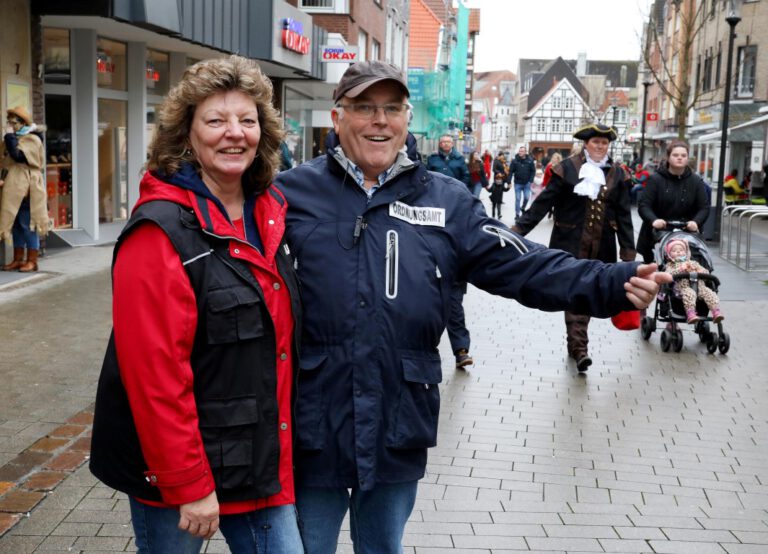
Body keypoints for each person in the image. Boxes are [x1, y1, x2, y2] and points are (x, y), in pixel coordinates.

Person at [274, 61, 669, 553]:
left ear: (406, 117)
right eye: (364, 108)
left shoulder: (446, 200)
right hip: (315, 414)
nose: (380, 120)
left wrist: (613, 280)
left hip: (400, 413)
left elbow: (526, 266)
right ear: (337, 118)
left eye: (392, 108)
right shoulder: (289, 195)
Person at [88, 56, 303, 553]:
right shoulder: (159, 231)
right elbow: (153, 375)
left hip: (255, 459)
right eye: (216, 120)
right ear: (187, 134)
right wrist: (188, 483)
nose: (235, 133)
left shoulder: (266, 215)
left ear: (263, 132)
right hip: (177, 476)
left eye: (247, 120)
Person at [511, 123, 636, 372]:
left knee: (590, 291)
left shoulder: (618, 174)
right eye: (596, 142)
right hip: (570, 241)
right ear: (586, 144)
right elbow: (543, 203)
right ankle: (580, 348)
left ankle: (576, 343)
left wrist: (628, 252)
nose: (600, 146)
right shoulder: (567, 168)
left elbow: (623, 214)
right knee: (575, 290)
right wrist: (517, 231)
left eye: (604, 143)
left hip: (602, 243)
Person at [637, 140, 709, 263]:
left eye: (683, 155)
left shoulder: (696, 181)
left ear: (687, 158)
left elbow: (704, 207)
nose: (679, 158)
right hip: (657, 235)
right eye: (675, 155)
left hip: (687, 236)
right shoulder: (656, 179)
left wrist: (696, 222)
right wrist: (654, 220)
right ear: (668, 158)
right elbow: (644, 205)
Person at [0, 106, 48, 272]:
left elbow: (18, 155)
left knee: (27, 224)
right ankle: (18, 259)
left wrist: (8, 137)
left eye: (13, 122)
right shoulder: (15, 137)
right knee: (17, 225)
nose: (11, 125)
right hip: (13, 187)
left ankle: (32, 261)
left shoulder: (32, 139)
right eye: (9, 121)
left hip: (28, 187)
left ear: (22, 123)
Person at [664, 238, 724, 323]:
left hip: (700, 287)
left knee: (710, 293)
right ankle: (691, 314)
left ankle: (716, 311)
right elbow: (668, 275)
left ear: (686, 252)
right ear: (669, 254)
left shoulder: (693, 263)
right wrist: (681, 269)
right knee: (689, 294)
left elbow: (706, 272)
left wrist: (700, 271)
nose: (678, 252)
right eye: (674, 251)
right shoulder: (670, 265)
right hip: (682, 288)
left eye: (681, 250)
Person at [507, 145, 536, 219]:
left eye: (522, 151)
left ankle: (523, 207)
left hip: (527, 183)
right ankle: (517, 214)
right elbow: (510, 171)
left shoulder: (530, 161)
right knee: (518, 198)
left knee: (526, 197)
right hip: (518, 183)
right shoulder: (515, 161)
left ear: (525, 152)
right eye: (519, 151)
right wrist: (509, 182)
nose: (520, 152)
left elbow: (533, 171)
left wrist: (530, 180)